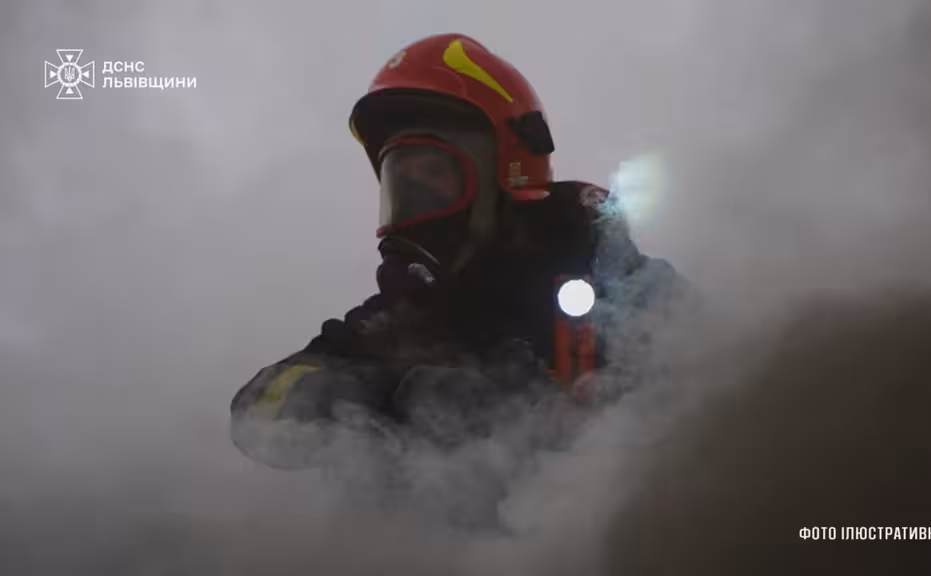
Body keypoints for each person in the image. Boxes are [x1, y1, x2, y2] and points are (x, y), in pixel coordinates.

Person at [230, 33, 684, 469]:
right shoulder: (402, 316)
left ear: (505, 171)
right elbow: (259, 407)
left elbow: (714, 402)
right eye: (401, 182)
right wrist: (387, 394)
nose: (415, 201)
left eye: (435, 173)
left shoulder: (619, 285)